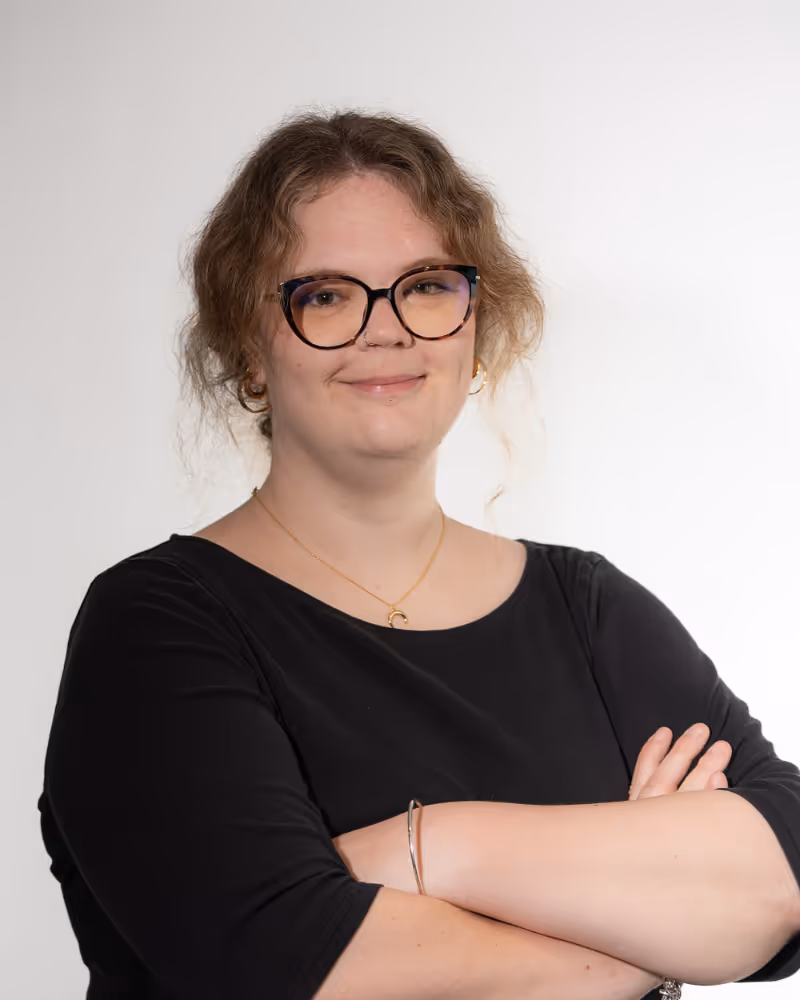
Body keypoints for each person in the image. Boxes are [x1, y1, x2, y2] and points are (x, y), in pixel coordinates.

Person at [37, 110, 800, 1000]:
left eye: (427, 285)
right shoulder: (154, 626)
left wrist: (431, 847)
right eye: (326, 295)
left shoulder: (588, 608)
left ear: (476, 325)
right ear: (249, 346)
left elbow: (784, 877)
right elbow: (286, 967)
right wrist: (655, 933)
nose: (386, 328)